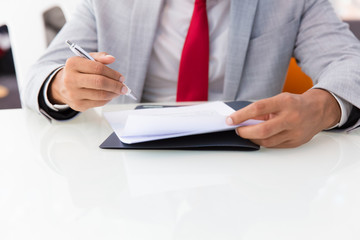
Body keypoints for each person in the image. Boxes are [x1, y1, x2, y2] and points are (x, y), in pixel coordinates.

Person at [24, 0, 360, 148]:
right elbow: (41, 74)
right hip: (133, 159)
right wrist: (62, 88)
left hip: (250, 160)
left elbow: (349, 62)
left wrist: (323, 106)